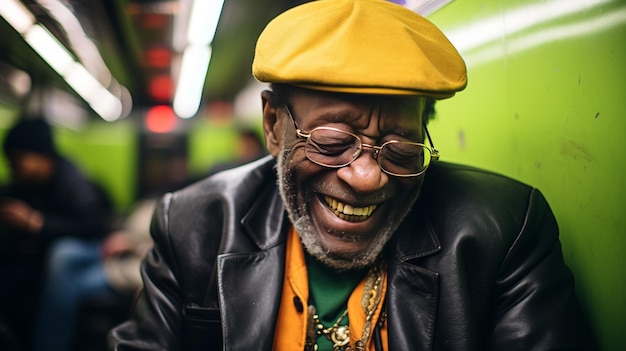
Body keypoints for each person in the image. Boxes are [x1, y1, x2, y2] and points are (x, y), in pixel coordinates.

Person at [109, 1, 595, 350]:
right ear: (274, 125)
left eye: (401, 147)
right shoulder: (193, 223)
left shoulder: (502, 232)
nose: (366, 177)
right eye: (332, 142)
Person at [0, 117, 113, 349]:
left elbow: (92, 225)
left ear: (42, 155)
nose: (15, 167)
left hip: (92, 245)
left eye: (19, 159)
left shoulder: (73, 182)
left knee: (63, 254)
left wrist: (36, 223)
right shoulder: (22, 184)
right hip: (42, 252)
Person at [32, 198, 156, 351]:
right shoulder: (152, 200)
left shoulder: (179, 208)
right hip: (116, 251)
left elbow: (166, 250)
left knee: (67, 284)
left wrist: (132, 244)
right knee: (62, 252)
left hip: (131, 267)